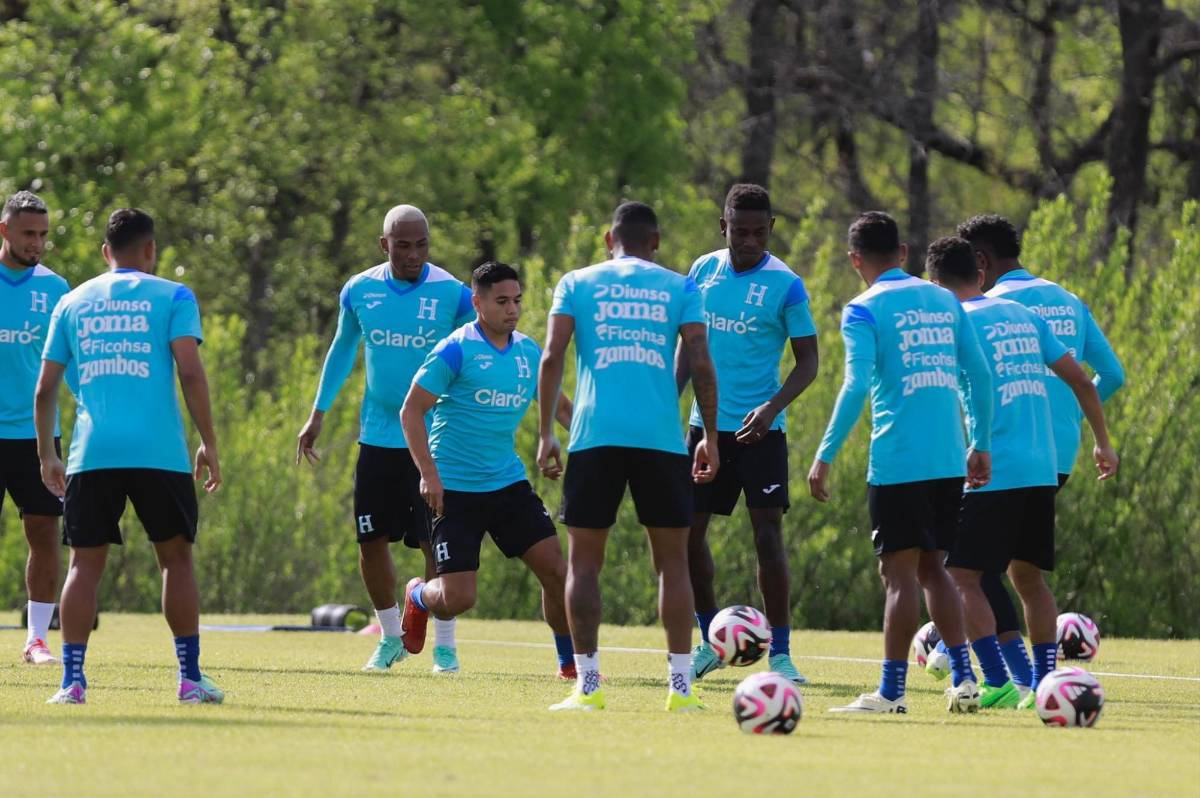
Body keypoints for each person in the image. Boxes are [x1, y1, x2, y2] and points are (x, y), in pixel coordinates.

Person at [35, 208, 223, 705]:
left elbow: (45, 389)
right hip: (160, 452)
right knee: (175, 560)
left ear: (105, 252)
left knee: (83, 565)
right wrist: (209, 440)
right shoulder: (174, 296)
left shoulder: (71, 302)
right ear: (151, 249)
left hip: (92, 452)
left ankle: (72, 681)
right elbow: (190, 372)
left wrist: (47, 455)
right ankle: (189, 679)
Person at [538, 201, 719, 712]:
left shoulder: (576, 282)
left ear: (607, 240)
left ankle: (588, 687)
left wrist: (546, 432)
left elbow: (551, 356)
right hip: (660, 439)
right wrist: (710, 435)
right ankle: (680, 688)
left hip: (594, 435)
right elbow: (701, 362)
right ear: (655, 241)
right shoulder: (682, 287)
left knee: (584, 564)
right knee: (673, 565)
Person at [809, 212, 991, 714]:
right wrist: (980, 442)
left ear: (855, 260)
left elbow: (856, 385)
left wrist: (825, 454)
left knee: (898, 575)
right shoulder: (945, 300)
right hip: (949, 457)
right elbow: (979, 373)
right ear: (904, 253)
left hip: (899, 460)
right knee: (936, 569)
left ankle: (891, 692)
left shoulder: (862, 309)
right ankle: (964, 677)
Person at [926, 236, 1119, 709]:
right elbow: (1084, 381)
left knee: (961, 576)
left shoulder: (955, 322)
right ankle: (1045, 682)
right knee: (1029, 578)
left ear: (935, 284)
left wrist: (970, 448)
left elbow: (954, 394)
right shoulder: (1023, 316)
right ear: (978, 273)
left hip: (994, 467)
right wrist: (1102, 442)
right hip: (1042, 465)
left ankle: (997, 680)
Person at [297, 205, 474, 673]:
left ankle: (445, 648)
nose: (414, 254)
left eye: (422, 245)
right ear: (384, 245)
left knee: (437, 546)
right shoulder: (359, 290)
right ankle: (391, 636)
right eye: (403, 245)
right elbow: (341, 350)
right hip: (377, 438)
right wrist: (317, 414)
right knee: (370, 541)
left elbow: (476, 352)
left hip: (434, 442)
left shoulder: (453, 294)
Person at [399, 261, 577, 678]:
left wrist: (593, 445)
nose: (512, 309)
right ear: (477, 303)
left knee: (557, 571)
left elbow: (563, 408)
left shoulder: (529, 353)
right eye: (501, 301)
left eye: (516, 300)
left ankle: (570, 665)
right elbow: (411, 411)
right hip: (454, 490)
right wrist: (428, 474)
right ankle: (419, 595)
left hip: (507, 484)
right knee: (459, 598)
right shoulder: (455, 350)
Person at [675, 183, 818, 685]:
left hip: (762, 432)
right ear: (724, 227)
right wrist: (669, 403)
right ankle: (708, 639)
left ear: (771, 228)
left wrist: (772, 406)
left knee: (767, 538)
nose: (750, 240)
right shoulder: (701, 271)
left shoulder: (787, 284)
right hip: (705, 429)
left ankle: (781, 655)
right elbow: (689, 346)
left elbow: (809, 362)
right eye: (740, 231)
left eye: (760, 232)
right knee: (688, 536)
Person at [0, 191, 70, 665]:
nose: (37, 243)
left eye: (43, 235)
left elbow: (71, 362)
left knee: (44, 533)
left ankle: (37, 639)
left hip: (37, 437)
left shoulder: (57, 289)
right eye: (28, 233)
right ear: (5, 230)